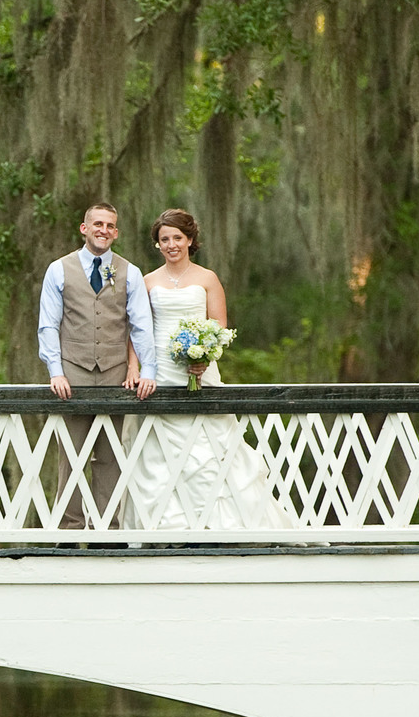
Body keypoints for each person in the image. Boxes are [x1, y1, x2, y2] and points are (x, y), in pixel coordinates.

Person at [126, 208, 285, 531]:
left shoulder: (207, 278)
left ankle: (223, 526)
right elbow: (136, 330)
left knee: (211, 445)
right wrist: (135, 368)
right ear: (157, 244)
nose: (171, 245)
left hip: (199, 370)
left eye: (177, 238)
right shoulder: (148, 281)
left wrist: (204, 356)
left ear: (190, 240)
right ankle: (167, 528)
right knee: (160, 451)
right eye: (164, 239)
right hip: (161, 373)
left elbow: (219, 326)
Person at [37, 201, 158, 531]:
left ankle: (107, 528)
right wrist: (55, 371)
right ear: (85, 228)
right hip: (72, 373)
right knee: (71, 454)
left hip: (115, 374)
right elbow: (48, 324)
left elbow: (141, 325)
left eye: (110, 226)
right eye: (98, 224)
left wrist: (147, 370)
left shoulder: (129, 272)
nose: (103, 230)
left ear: (116, 233)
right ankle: (69, 528)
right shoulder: (58, 269)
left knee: (110, 455)